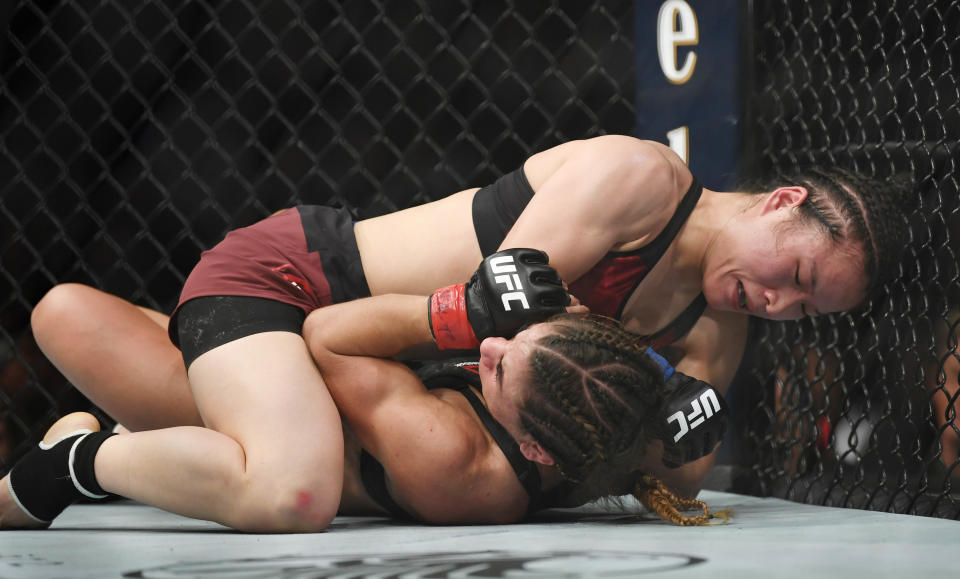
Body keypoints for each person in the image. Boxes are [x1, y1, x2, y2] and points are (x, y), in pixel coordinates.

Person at [26, 135, 910, 497]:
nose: (778, 301)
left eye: (804, 307)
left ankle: (177, 355)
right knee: (291, 484)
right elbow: (505, 311)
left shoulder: (718, 319)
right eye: (793, 271)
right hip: (302, 290)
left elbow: (675, 475)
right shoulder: (642, 181)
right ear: (780, 201)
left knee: (71, 320)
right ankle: (79, 456)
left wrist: (677, 432)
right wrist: (653, 387)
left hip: (368, 373)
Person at [1, 250, 727, 531]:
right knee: (64, 313)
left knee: (64, 314)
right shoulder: (591, 433)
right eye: (515, 337)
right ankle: (130, 443)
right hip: (275, 335)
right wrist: (664, 385)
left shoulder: (451, 456)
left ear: (533, 444)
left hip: (287, 361)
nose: (493, 347)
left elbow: (325, 338)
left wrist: (457, 313)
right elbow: (654, 448)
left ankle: (79, 459)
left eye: (501, 366)